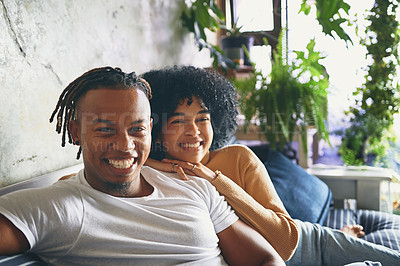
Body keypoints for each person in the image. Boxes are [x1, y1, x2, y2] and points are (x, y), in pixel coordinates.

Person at [0, 66, 285, 265]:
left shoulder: (194, 185)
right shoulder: (57, 207)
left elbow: (267, 257)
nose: (124, 145)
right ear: (76, 132)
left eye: (136, 129)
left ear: (150, 129)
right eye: (105, 130)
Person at [141, 65, 400, 265]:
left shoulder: (238, 158)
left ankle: (343, 237)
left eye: (202, 118)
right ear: (156, 128)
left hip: (310, 245)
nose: (193, 132)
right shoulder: (153, 172)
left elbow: (286, 242)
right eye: (177, 122)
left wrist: (214, 178)